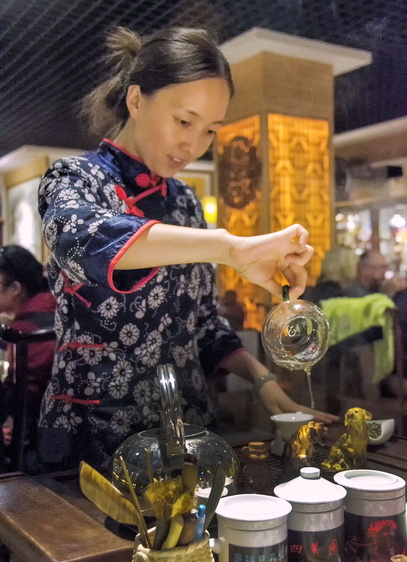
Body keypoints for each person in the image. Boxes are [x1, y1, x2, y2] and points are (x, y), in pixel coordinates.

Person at [37, 25, 338, 471]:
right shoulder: (75, 179)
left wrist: (264, 381)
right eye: (184, 121)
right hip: (95, 432)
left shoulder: (185, 201)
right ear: (136, 100)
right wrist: (226, 246)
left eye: (211, 130)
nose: (194, 145)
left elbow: (202, 323)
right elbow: (82, 240)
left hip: (189, 431)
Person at [0, 245, 56, 473]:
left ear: (15, 289)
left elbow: (18, 394)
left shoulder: (24, 331)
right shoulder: (52, 305)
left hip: (35, 441)